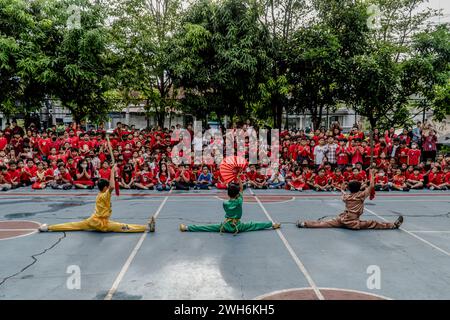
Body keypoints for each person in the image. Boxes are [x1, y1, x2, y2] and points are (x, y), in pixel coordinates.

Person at [39, 165, 155, 233]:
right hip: (102, 224)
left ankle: (49, 227)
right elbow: (112, 187)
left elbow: (111, 186)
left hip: (92, 220)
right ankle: (146, 227)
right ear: (105, 187)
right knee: (123, 226)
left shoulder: (100, 194)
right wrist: (112, 171)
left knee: (73, 225)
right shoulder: (105, 194)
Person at [296, 169, 404, 230]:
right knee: (373, 223)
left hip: (342, 219)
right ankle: (393, 225)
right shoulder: (360, 195)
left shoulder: (347, 197)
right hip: (353, 223)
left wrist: (342, 189)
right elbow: (371, 186)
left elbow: (343, 193)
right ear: (359, 188)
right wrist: (372, 174)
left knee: (323, 224)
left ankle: (303, 223)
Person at [179, 173, 280, 234]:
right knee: (254, 224)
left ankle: (187, 228)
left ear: (228, 194)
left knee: (207, 227)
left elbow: (238, 191)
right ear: (237, 194)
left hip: (226, 225)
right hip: (238, 226)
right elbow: (241, 189)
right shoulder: (239, 201)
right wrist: (239, 177)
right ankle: (272, 224)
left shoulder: (225, 203)